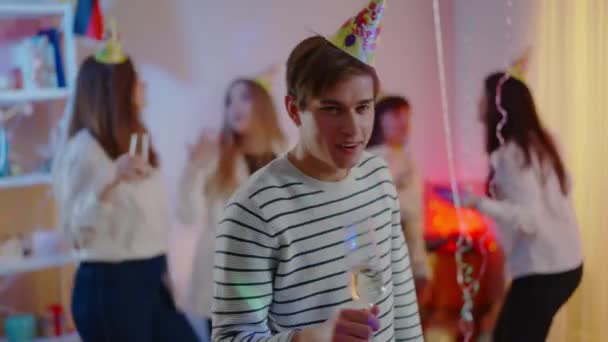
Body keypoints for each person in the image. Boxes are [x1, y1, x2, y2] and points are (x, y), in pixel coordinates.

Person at [212, 1, 423, 341]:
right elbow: (232, 337)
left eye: (363, 108)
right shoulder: (253, 210)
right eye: (332, 110)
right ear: (295, 111)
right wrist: (311, 338)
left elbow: (401, 296)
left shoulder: (378, 177)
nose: (353, 129)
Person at [52, 23, 197, 341]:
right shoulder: (85, 152)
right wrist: (109, 180)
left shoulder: (134, 145)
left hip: (150, 281)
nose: (143, 85)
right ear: (117, 90)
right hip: (112, 288)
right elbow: (77, 232)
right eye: (135, 80)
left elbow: (151, 225)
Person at [465, 72, 583, 341]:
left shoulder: (514, 154)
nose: (478, 104)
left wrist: (477, 203)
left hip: (545, 269)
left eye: (483, 98)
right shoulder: (542, 141)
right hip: (565, 263)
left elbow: (529, 219)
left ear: (498, 107)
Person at [177, 74, 286, 339]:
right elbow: (187, 214)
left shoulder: (287, 156)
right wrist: (193, 168)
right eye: (229, 101)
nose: (235, 106)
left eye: (245, 98)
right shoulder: (215, 156)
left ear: (262, 106)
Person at [367, 95, 431, 306]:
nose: (404, 122)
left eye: (407, 116)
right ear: (379, 119)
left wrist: (421, 266)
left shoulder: (405, 158)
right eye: (395, 115)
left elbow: (414, 218)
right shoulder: (369, 161)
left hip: (406, 259)